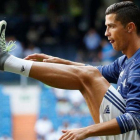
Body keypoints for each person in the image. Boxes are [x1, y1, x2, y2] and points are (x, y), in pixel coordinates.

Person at [0, 1, 140, 140]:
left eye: (112, 27)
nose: (106, 33)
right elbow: (93, 71)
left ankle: (7, 62)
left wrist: (86, 131)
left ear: (130, 27)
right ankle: (7, 62)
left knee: (89, 76)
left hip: (133, 133)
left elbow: (134, 118)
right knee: (89, 76)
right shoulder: (125, 61)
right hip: (126, 134)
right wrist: (61, 61)